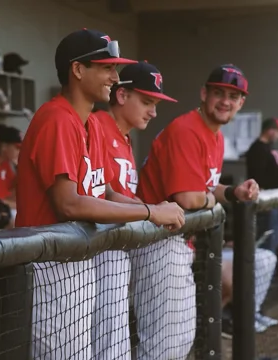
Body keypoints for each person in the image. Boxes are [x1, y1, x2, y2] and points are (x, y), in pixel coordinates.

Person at [15, 28, 185, 360]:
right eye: (107, 67)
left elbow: (103, 190)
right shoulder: (56, 118)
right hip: (50, 264)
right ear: (78, 70)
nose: (114, 76)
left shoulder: (89, 123)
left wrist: (150, 206)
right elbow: (68, 203)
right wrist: (150, 213)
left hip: (79, 260)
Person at [135, 64, 259, 359]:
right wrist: (210, 200)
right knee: (163, 344)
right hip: (156, 242)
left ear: (241, 103)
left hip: (174, 241)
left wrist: (231, 192)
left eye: (233, 96)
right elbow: (189, 198)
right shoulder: (187, 130)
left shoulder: (214, 135)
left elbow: (204, 187)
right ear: (204, 93)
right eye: (218, 93)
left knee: (176, 339)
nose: (225, 101)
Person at [91, 60, 178, 360]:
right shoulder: (98, 126)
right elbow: (101, 194)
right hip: (94, 250)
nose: (154, 112)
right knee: (102, 343)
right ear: (122, 95)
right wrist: (152, 210)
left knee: (113, 340)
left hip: (115, 249)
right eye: (147, 101)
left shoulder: (124, 137)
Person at [245, 117, 278, 254]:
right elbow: (257, 176)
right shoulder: (257, 149)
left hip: (276, 200)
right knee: (267, 242)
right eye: (277, 131)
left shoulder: (270, 148)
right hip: (266, 202)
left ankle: (271, 272)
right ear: (270, 131)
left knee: (274, 240)